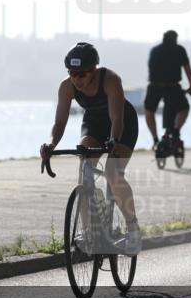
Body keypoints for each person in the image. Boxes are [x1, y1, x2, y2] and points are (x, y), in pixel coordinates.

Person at [40, 42, 142, 253]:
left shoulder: (111, 80)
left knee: (114, 174)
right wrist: (51, 144)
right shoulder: (66, 86)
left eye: (82, 74)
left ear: (94, 70)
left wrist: (114, 140)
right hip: (95, 122)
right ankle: (89, 232)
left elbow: (116, 119)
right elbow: (59, 122)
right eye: (72, 73)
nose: (77, 79)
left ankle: (133, 230)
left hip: (122, 122)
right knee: (85, 165)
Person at [144, 30, 191, 152]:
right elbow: (188, 70)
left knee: (149, 111)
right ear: (175, 39)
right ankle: (176, 131)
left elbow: (151, 69)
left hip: (154, 86)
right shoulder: (179, 49)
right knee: (183, 108)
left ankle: (155, 139)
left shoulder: (155, 50)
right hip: (172, 86)